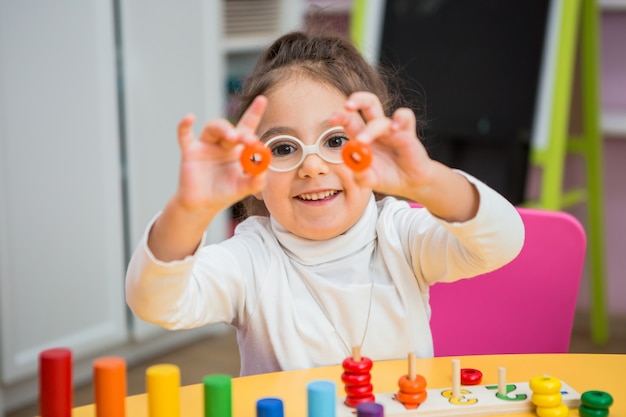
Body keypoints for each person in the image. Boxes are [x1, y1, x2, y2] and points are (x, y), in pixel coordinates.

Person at [125, 30, 524, 376]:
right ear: (255, 174)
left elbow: (504, 241)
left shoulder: (401, 235)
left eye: (335, 141)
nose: (312, 167)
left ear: (374, 148)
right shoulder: (251, 260)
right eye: (283, 148)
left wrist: (427, 181)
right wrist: (189, 210)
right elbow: (155, 303)